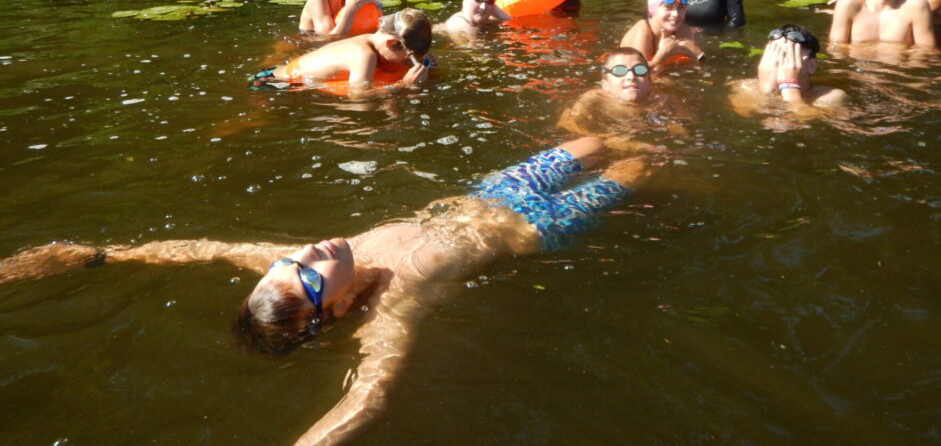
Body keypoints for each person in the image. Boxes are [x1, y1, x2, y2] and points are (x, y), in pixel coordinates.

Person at [0, 139, 653, 446]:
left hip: (489, 193)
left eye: (288, 260)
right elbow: (371, 395)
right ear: (333, 310)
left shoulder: (313, 263)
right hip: (535, 226)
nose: (308, 251)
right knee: (639, 166)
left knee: (598, 142)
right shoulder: (388, 311)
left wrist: (94, 256)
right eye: (308, 272)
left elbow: (204, 247)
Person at [251, 8, 432, 95]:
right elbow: (358, 98)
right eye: (408, 58)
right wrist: (404, 84)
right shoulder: (363, 55)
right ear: (391, 42)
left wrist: (424, 65)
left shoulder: (370, 40)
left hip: (275, 74)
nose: (406, 62)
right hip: (269, 83)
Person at [558, 47, 685, 152]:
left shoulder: (663, 101)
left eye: (639, 70)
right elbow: (566, 124)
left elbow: (685, 132)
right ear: (605, 84)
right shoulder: (592, 99)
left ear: (649, 81)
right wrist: (621, 143)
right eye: (619, 71)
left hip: (639, 153)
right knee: (590, 144)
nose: (631, 76)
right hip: (605, 147)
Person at [728, 24, 845, 118]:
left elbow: (802, 118)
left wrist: (789, 85)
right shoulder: (745, 86)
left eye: (787, 55)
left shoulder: (829, 96)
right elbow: (744, 113)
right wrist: (765, 89)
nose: (778, 60)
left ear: (812, 66)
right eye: (774, 53)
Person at [620, 0, 704, 68]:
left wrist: (698, 53)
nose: (675, 14)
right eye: (668, 7)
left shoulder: (682, 30)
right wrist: (661, 56)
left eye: (680, 7)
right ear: (653, 9)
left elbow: (702, 68)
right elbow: (637, 73)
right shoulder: (642, 33)